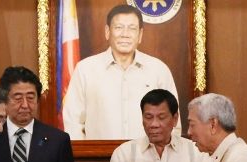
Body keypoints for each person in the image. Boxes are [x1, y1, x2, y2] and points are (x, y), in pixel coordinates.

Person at [62, 4, 181, 140]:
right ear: (107, 31)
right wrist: (84, 158)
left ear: (140, 35)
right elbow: (73, 124)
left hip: (149, 158)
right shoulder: (85, 69)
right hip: (98, 158)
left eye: (132, 28)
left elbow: (173, 123)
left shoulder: (158, 70)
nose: (125, 34)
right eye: (119, 28)